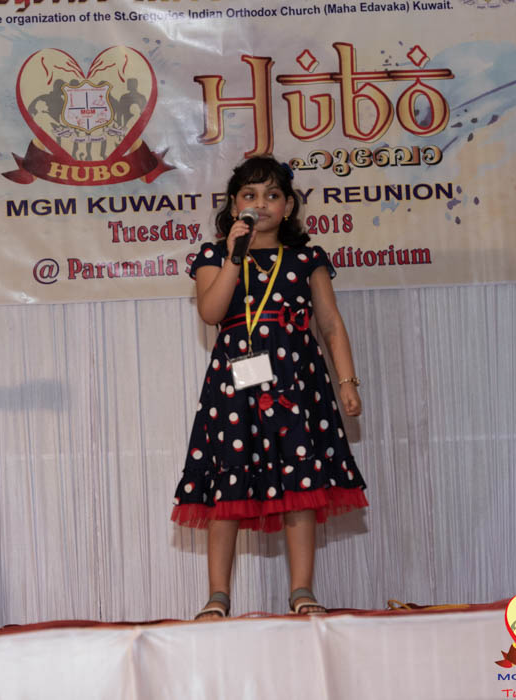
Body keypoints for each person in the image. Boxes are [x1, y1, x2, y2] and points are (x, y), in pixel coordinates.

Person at [172, 156, 368, 619]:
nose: (261, 204)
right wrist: (234, 257)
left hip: (297, 384)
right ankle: (218, 595)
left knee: (301, 484)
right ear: (233, 205)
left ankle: (302, 590)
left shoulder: (306, 258)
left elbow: (330, 323)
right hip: (236, 389)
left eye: (272, 195)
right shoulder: (214, 256)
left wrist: (347, 381)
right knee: (229, 484)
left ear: (288, 206)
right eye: (250, 195)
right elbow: (211, 312)